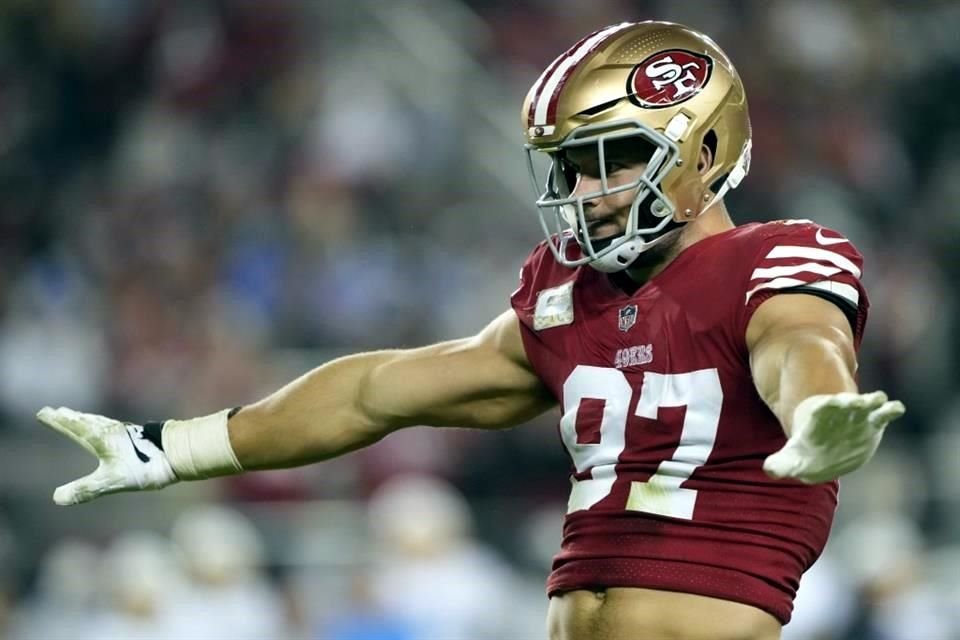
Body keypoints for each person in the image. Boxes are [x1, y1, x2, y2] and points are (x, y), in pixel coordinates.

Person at [37, 20, 905, 640]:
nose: (588, 190)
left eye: (612, 160)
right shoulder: (572, 295)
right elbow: (377, 392)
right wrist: (178, 446)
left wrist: (820, 414)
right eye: (572, 165)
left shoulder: (779, 259)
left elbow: (800, 344)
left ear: (704, 154)